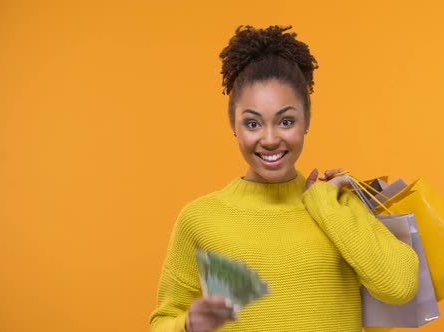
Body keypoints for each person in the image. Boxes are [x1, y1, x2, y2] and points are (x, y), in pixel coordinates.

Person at [150, 25, 419, 332]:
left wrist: (325, 205)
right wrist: (188, 325)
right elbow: (162, 322)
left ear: (306, 121)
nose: (269, 139)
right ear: (233, 126)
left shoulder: (336, 205)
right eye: (252, 123)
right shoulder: (201, 219)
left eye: (286, 121)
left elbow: (399, 287)